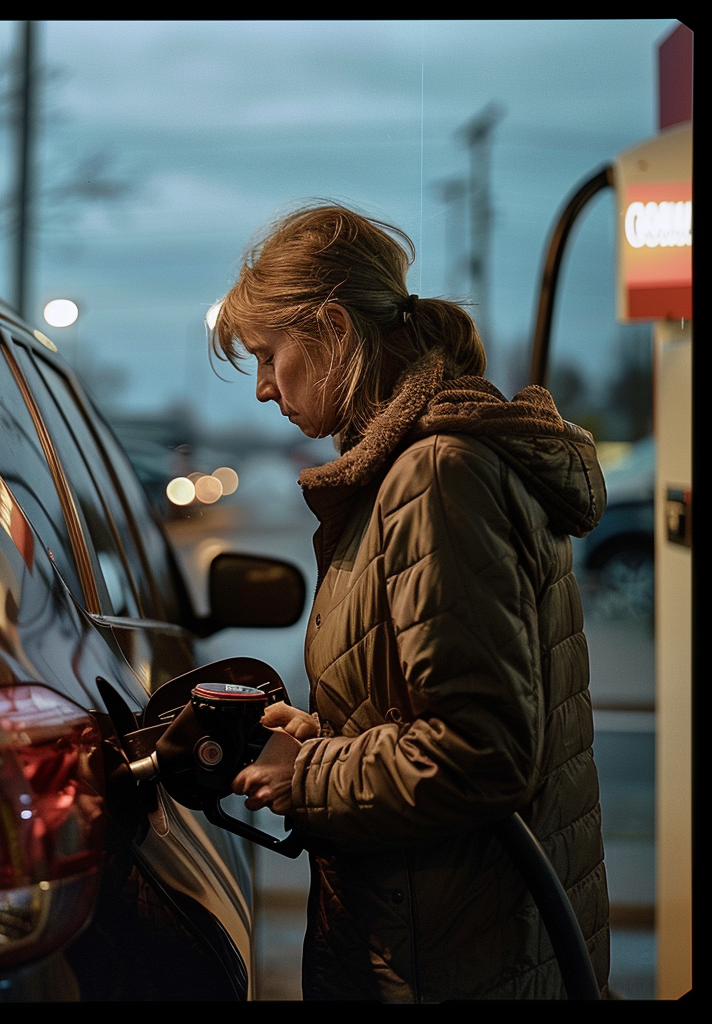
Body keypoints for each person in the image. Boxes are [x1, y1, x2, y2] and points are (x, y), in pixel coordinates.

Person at [211, 202, 611, 1001]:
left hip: (460, 965)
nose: (262, 389)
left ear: (330, 329)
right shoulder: (407, 469)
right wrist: (327, 734)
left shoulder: (435, 474)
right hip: (456, 943)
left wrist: (311, 774)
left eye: (268, 356)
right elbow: (439, 702)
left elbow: (483, 751)